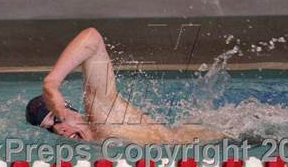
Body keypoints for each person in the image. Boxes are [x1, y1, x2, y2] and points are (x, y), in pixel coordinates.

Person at [26, 28, 227, 144]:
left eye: (56, 117)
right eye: (50, 129)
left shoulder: (103, 117)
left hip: (226, 141)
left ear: (68, 107)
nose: (59, 129)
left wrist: (52, 82)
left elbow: (93, 38)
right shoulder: (93, 146)